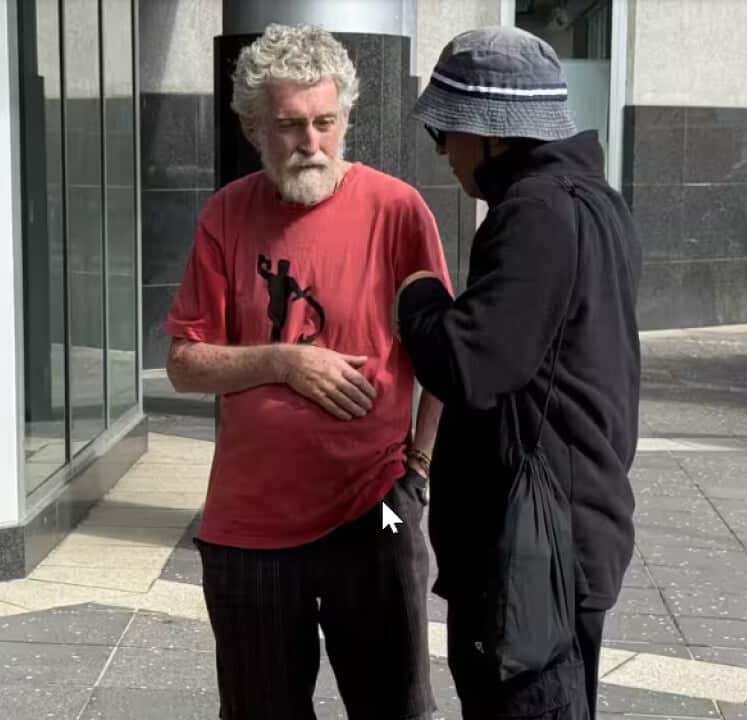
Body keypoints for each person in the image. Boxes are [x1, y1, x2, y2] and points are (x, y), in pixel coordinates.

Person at [164, 23, 450, 720]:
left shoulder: (398, 211)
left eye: (325, 121)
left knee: (395, 710)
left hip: (373, 508)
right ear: (253, 127)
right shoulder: (226, 215)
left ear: (346, 117)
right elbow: (184, 364)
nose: (311, 143)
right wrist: (285, 361)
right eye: (290, 125)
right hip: (248, 526)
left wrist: (418, 468)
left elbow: (444, 356)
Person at [396, 27, 642, 720]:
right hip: (571, 531)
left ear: (491, 134)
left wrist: (418, 297)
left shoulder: (532, 214)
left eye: (447, 133)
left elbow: (471, 365)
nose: (444, 152)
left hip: (533, 553)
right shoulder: (595, 200)